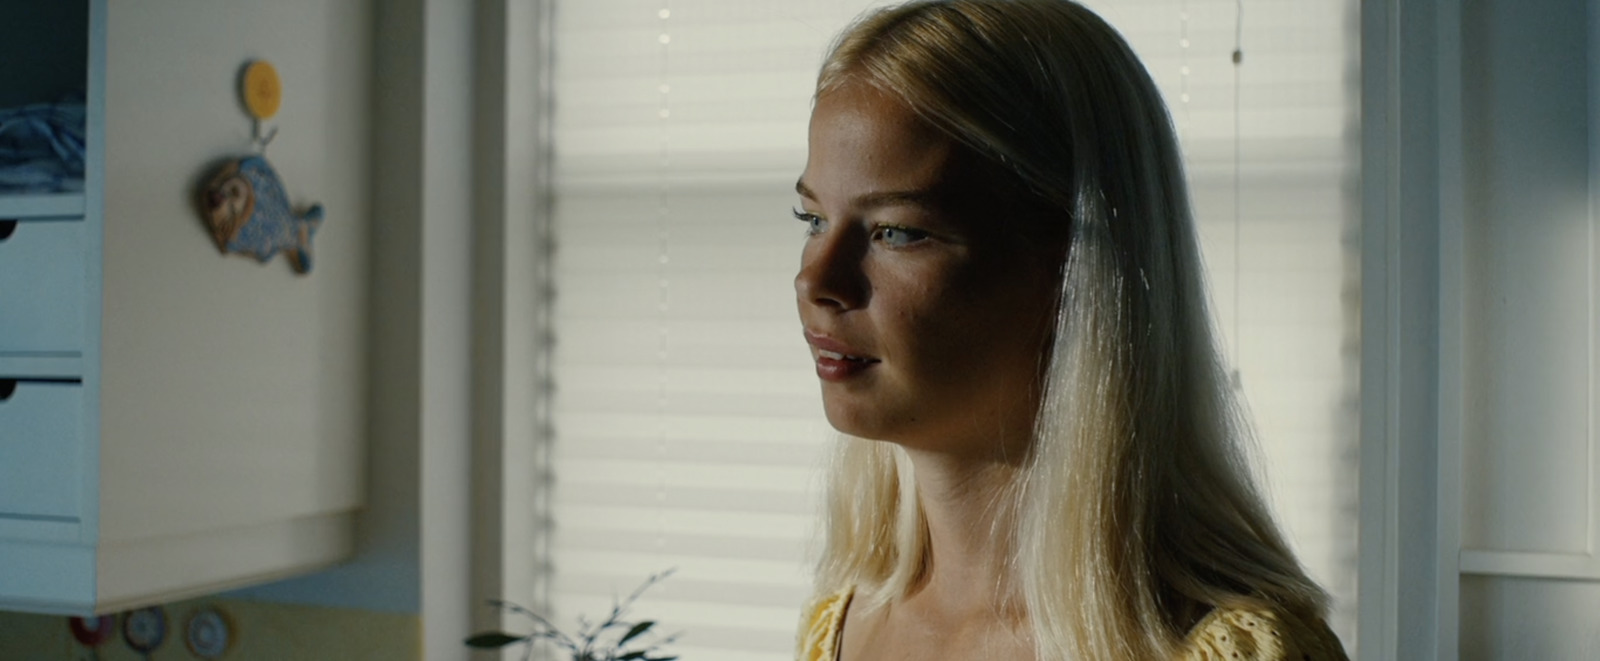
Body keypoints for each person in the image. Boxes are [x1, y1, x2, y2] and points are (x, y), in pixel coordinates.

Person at [790, 1, 1349, 659]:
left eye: (898, 232)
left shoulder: (1224, 650)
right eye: (812, 219)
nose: (816, 281)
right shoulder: (838, 625)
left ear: (1071, 267)